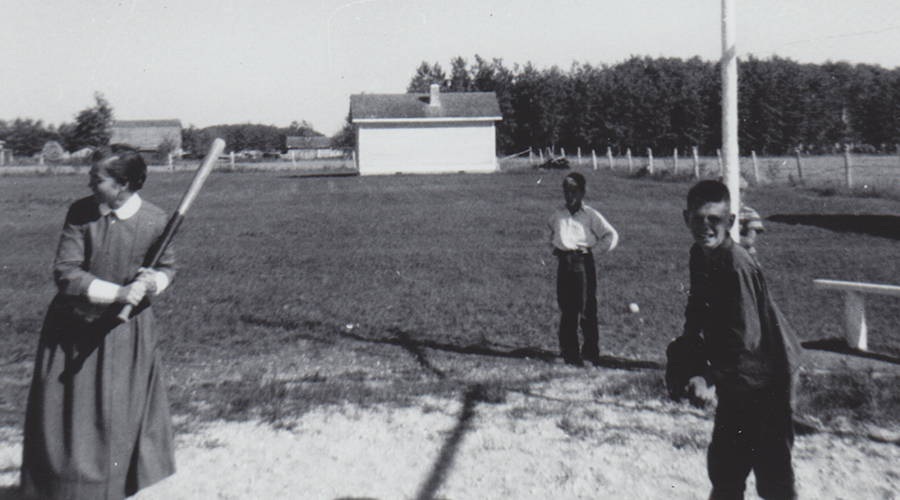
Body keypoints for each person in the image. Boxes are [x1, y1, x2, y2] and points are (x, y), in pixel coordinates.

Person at [21, 145, 177, 500]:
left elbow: (169, 267)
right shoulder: (81, 213)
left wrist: (154, 282)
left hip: (126, 333)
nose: (90, 182)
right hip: (73, 327)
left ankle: (114, 490)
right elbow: (66, 273)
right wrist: (119, 294)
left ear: (122, 185)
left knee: (117, 416)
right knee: (66, 418)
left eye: (98, 178)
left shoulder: (155, 219)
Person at [668, 180, 803, 500]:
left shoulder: (735, 264)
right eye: (698, 218)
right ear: (686, 217)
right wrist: (689, 354)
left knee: (773, 478)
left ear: (729, 222)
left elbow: (747, 339)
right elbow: (697, 305)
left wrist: (709, 378)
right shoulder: (699, 255)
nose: (705, 226)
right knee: (726, 469)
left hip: (770, 377)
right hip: (738, 376)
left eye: (714, 219)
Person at [548, 172, 618, 366]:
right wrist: (557, 248)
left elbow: (610, 235)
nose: (570, 195)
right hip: (565, 264)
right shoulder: (558, 215)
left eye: (574, 191)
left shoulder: (590, 215)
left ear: (582, 192)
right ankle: (569, 353)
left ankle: (590, 354)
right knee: (567, 309)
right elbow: (552, 233)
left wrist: (592, 251)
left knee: (586, 308)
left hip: (582, 263)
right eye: (566, 191)